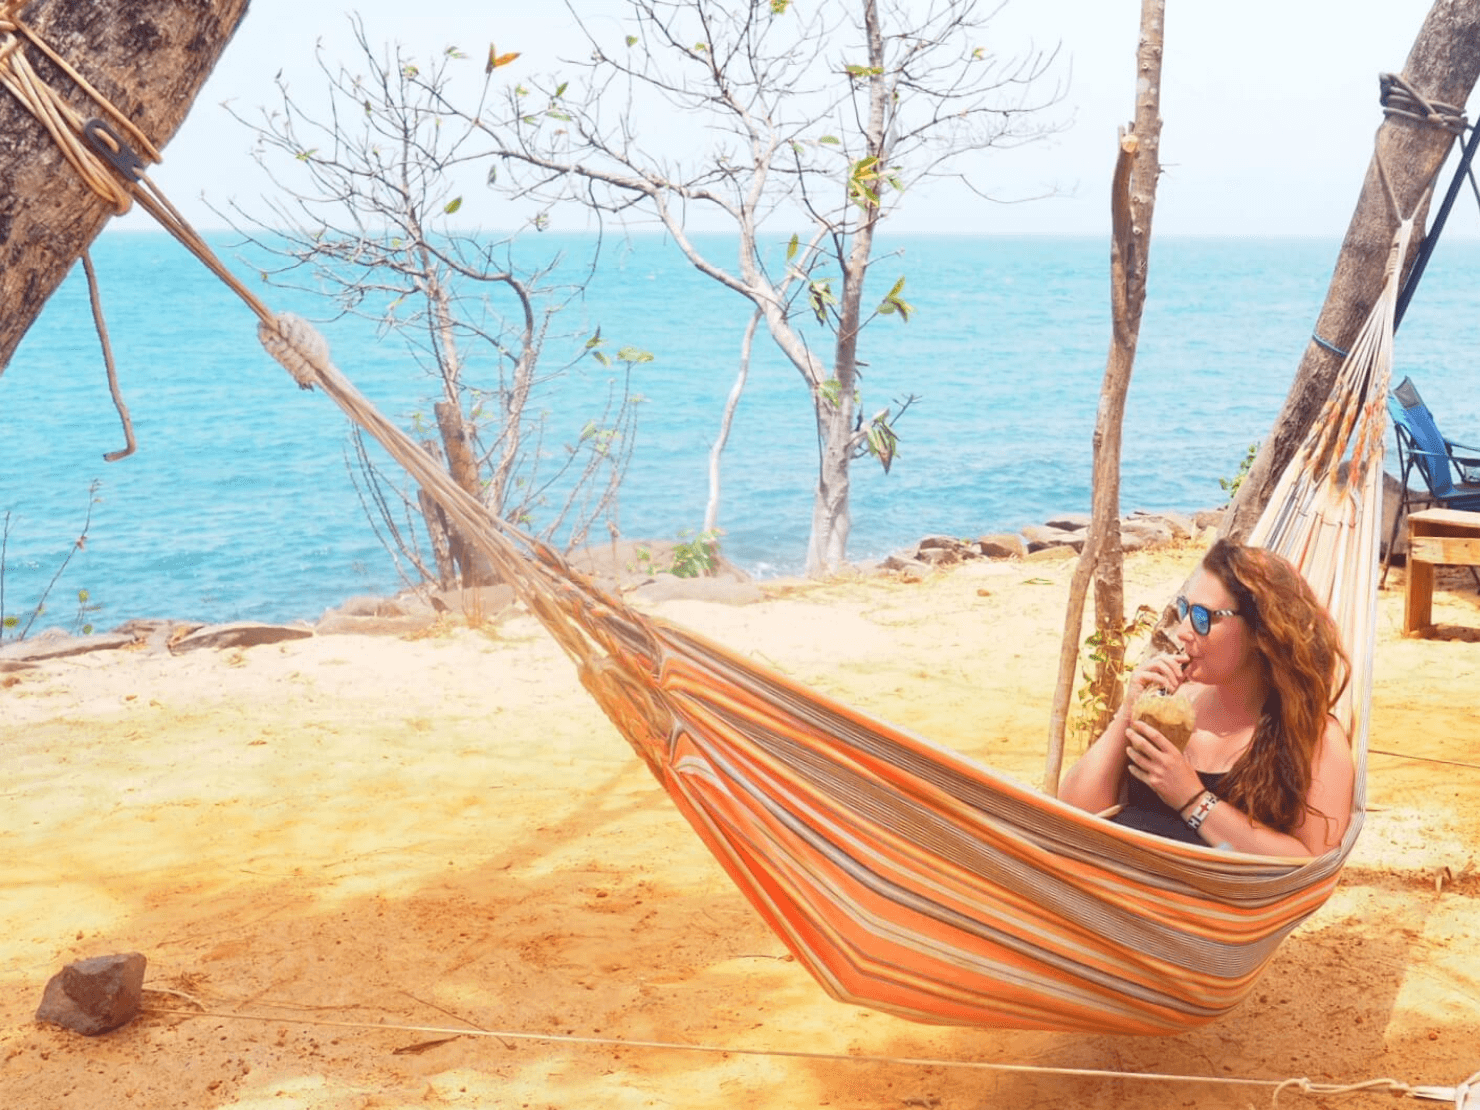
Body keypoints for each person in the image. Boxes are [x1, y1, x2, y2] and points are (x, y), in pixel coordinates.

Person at [1059, 539, 1354, 856]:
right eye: (1184, 609)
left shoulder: (1315, 737)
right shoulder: (1171, 705)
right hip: (1118, 893)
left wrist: (1192, 799)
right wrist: (1128, 712)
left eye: (1203, 617)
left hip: (1208, 903)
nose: (1184, 630)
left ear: (1261, 632)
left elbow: (1307, 868)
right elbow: (1076, 812)